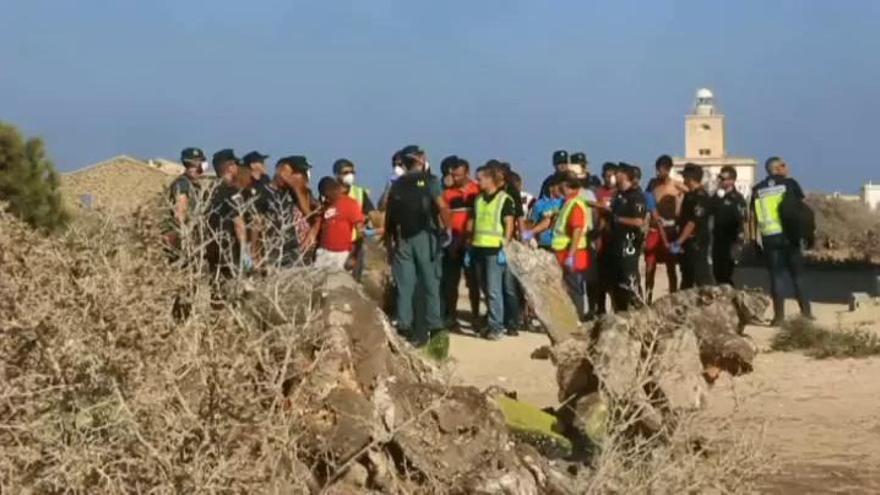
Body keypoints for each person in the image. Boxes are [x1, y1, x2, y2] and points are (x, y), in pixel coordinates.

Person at [384, 145, 452, 346]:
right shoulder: (431, 181)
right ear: (420, 159)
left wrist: (389, 239)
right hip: (425, 236)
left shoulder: (397, 184)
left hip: (402, 237)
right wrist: (447, 230)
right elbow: (442, 206)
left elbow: (390, 214)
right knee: (430, 281)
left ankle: (405, 325)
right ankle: (434, 325)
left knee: (405, 285)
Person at [751, 156, 813, 325]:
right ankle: (806, 313)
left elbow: (753, 218)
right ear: (776, 168)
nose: (787, 167)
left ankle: (779, 318)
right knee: (797, 276)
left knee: (776, 278)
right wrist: (806, 235)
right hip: (789, 237)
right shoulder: (789, 184)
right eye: (784, 165)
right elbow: (801, 211)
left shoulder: (757, 189)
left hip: (769, 239)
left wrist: (753, 241)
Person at [467, 164, 517, 340]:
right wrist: (469, 245)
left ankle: (497, 326)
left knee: (494, 289)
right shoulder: (479, 199)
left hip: (495, 249)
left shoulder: (505, 199)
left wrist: (505, 245)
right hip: (478, 247)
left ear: (490, 179)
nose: (477, 181)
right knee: (485, 289)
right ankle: (491, 321)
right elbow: (474, 222)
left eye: (480, 178)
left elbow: (509, 223)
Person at [440, 156, 481, 329]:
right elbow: (442, 215)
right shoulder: (447, 193)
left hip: (472, 241)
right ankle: (451, 315)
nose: (455, 179)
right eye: (453, 175)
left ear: (467, 173)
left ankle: (476, 315)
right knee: (451, 281)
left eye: (458, 175)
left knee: (474, 281)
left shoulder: (477, 190)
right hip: (452, 241)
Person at [205, 149, 252, 280]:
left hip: (213, 249)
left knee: (216, 290)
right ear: (229, 167)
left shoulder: (210, 190)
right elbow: (238, 222)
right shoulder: (231, 191)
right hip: (231, 251)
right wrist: (245, 250)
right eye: (235, 164)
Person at [550, 174, 591, 320]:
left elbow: (577, 230)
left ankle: (577, 319)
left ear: (569, 187)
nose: (561, 188)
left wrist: (570, 255)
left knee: (574, 289)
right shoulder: (566, 203)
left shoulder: (575, 205)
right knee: (567, 288)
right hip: (563, 252)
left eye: (563, 186)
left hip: (572, 253)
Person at [644, 155, 684, 303]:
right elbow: (648, 201)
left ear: (668, 169)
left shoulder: (676, 184)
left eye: (663, 169)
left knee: (671, 266)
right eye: (658, 169)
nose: (660, 172)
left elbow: (687, 194)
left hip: (671, 228)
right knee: (650, 265)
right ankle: (647, 298)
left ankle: (673, 297)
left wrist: (679, 204)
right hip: (655, 228)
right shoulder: (652, 184)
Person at [607, 164, 647, 311]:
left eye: (618, 173)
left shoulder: (636, 196)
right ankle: (620, 311)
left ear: (625, 175)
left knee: (629, 277)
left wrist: (618, 219)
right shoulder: (618, 195)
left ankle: (639, 310)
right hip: (616, 244)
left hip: (629, 244)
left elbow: (638, 222)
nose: (615, 176)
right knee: (616, 281)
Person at [253, 156, 306, 268]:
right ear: (279, 171)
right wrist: (256, 253)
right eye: (287, 173)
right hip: (272, 249)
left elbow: (307, 210)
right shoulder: (263, 193)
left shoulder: (290, 192)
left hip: (292, 249)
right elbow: (256, 224)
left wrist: (295, 187)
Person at [670, 164, 713, 289]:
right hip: (687, 244)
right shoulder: (689, 195)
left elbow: (692, 223)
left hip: (697, 243)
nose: (683, 180)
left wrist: (678, 242)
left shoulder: (701, 197)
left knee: (701, 278)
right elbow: (681, 217)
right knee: (687, 277)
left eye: (685, 177)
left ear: (690, 178)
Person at [333, 158, 376, 280]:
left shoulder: (360, 193)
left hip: (355, 244)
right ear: (336, 175)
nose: (350, 175)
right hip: (335, 245)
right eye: (346, 172)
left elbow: (371, 214)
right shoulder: (329, 193)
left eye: (352, 172)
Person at [164, 147, 208, 258]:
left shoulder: (197, 186)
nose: (196, 169)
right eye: (191, 165)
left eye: (198, 165)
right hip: (181, 238)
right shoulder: (183, 184)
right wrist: (186, 236)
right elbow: (180, 213)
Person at [315, 176, 366, 270]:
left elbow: (360, 231)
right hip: (323, 253)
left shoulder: (350, 204)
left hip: (342, 254)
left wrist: (354, 256)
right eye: (324, 196)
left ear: (335, 190)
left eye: (327, 196)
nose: (326, 199)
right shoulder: (325, 206)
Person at [710, 166, 747, 286]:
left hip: (731, 240)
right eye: (720, 178)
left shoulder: (737, 198)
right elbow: (708, 209)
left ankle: (730, 298)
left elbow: (743, 220)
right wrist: (716, 194)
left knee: (726, 273)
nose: (721, 181)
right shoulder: (718, 196)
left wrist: (740, 241)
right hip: (717, 239)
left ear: (732, 180)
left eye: (724, 179)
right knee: (717, 272)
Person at [590, 162, 618, 317]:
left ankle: (616, 308)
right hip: (600, 237)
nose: (609, 179)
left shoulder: (619, 192)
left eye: (611, 175)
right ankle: (600, 309)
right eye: (606, 176)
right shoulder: (598, 192)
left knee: (614, 277)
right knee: (600, 276)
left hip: (614, 237)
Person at [525, 175, 564, 252]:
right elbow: (532, 222)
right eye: (559, 187)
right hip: (543, 244)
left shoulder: (564, 202)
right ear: (551, 188)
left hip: (560, 243)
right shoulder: (539, 204)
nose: (562, 190)